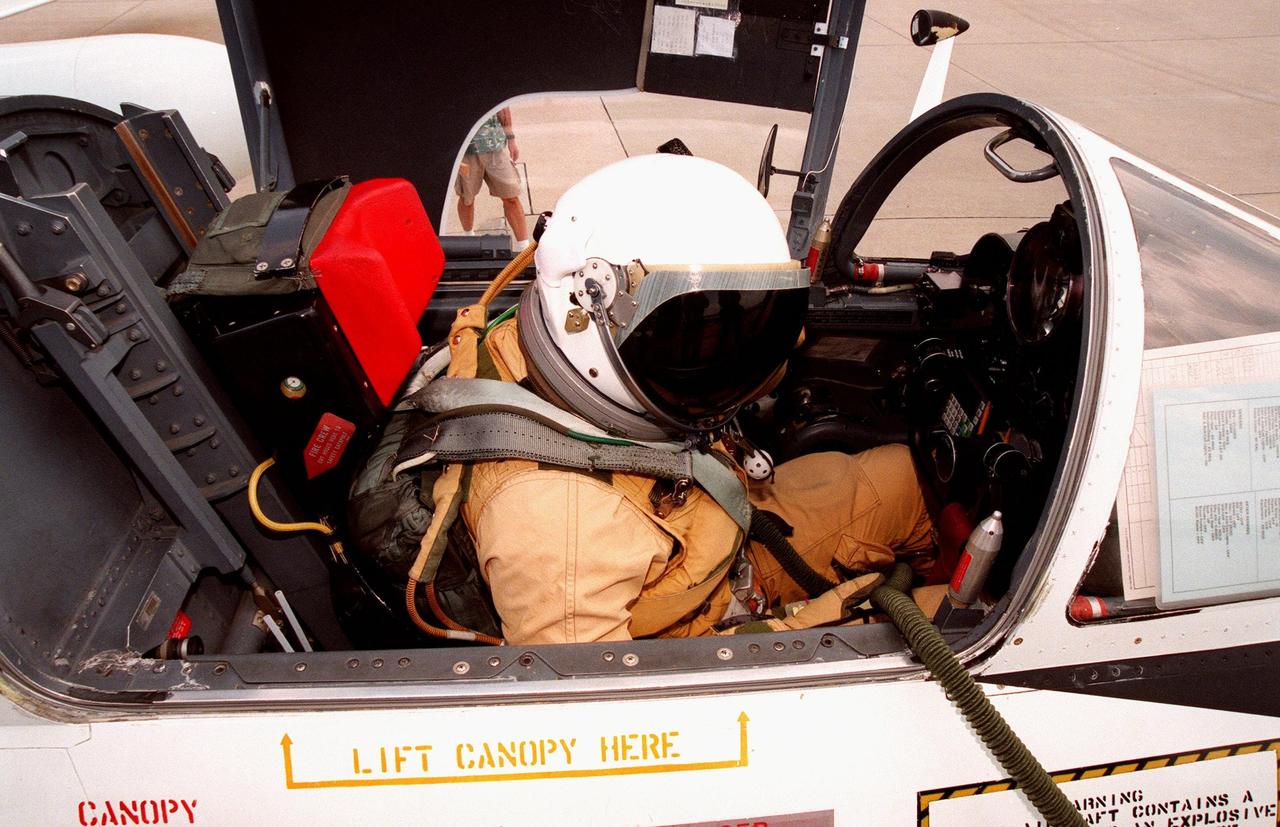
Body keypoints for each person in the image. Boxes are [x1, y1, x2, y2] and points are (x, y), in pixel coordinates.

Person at [436, 153, 936, 644]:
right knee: (951, 619)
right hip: (706, 628)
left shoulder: (554, 341)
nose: (722, 357)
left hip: (717, 526)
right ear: (590, 302)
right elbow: (617, 710)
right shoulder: (557, 530)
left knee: (917, 478)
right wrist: (800, 627)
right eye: (695, 332)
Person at [454, 107, 530, 250]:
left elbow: (503, 107)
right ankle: (469, 239)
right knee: (466, 198)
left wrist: (511, 139)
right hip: (466, 150)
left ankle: (523, 248)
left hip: (495, 147)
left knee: (511, 196)